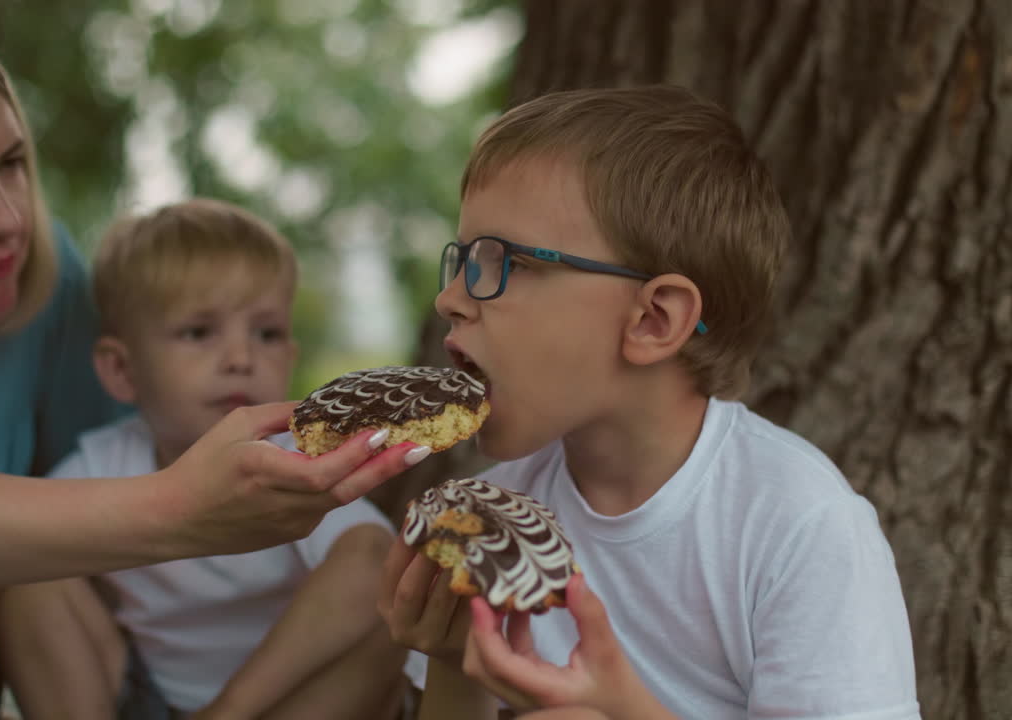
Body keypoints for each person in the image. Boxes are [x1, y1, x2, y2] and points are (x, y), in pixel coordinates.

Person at [0, 2, 426, 717]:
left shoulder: (39, 287)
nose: (7, 219)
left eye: (13, 164)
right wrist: (185, 509)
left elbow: (97, 507)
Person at [378, 85, 922, 720]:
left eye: (506, 263)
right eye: (464, 259)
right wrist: (455, 661)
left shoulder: (797, 522)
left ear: (654, 320)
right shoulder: (503, 513)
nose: (450, 298)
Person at [0, 199, 425, 719]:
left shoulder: (296, 459)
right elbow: (22, 547)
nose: (241, 358)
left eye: (266, 334)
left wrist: (227, 712)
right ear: (122, 370)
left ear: (290, 358)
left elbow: (369, 557)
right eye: (199, 332)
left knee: (388, 612)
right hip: (146, 696)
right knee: (29, 575)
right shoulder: (104, 462)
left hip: (282, 702)